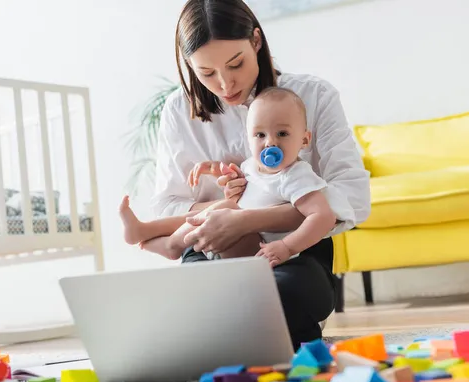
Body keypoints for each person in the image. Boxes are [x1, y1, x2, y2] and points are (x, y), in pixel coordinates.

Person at [148, 0, 371, 349]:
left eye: (235, 64)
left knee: (291, 292)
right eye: (206, 73)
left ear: (256, 41)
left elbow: (353, 196)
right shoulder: (178, 111)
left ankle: (231, 333)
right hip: (210, 251)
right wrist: (223, 208)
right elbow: (166, 207)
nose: (225, 83)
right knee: (208, 297)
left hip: (293, 254)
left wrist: (249, 220)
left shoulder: (314, 96)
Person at [121, 87, 336, 268]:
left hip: (261, 250)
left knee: (227, 209)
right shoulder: (254, 166)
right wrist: (216, 170)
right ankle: (145, 229)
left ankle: (173, 246)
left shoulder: (297, 175)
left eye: (282, 134)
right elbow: (240, 181)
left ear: (304, 139)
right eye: (260, 135)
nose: (270, 143)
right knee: (218, 208)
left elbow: (323, 216)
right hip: (229, 236)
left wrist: (288, 247)